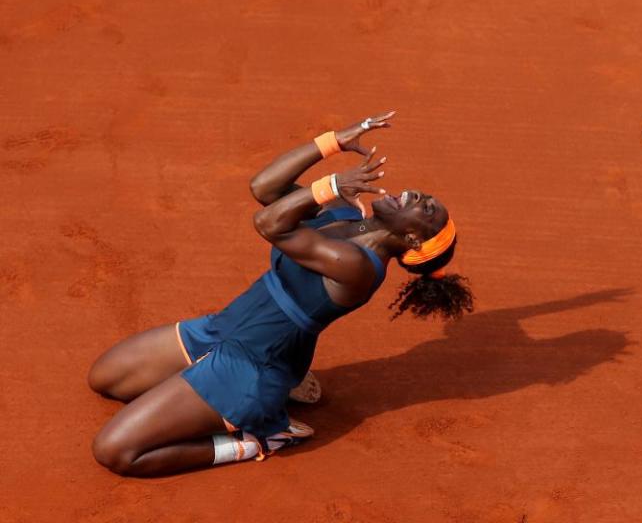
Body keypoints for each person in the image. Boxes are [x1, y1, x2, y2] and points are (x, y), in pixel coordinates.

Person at [87, 112, 474, 476]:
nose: (418, 196)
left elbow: (269, 224)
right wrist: (332, 142)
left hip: (248, 372)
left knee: (115, 450)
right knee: (105, 379)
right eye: (425, 196)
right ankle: (289, 382)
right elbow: (263, 188)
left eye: (426, 210)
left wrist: (333, 185)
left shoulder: (357, 266)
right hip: (224, 329)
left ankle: (257, 440)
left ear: (411, 238)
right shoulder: (346, 218)